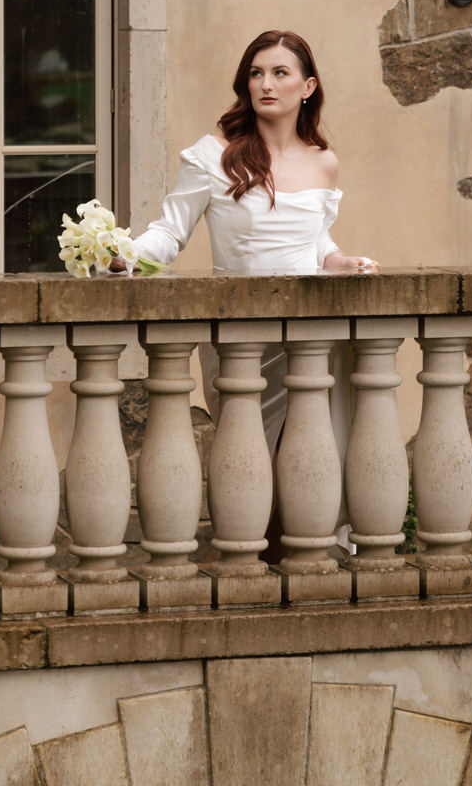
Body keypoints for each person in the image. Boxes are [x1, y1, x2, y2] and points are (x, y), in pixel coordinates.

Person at [117, 29, 379, 546]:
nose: (266, 83)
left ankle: (301, 567)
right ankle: (257, 565)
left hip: (309, 337)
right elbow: (170, 232)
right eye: (256, 73)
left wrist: (339, 260)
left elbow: (315, 239)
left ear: (307, 87)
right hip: (241, 338)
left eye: (280, 73)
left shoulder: (325, 161)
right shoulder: (212, 157)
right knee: (250, 459)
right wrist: (122, 257)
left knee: (307, 454)